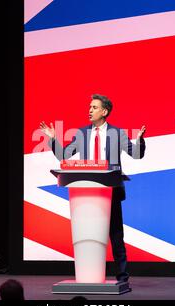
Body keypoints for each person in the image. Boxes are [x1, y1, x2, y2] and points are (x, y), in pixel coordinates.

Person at [40, 94, 146, 282]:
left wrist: (140, 140)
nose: (89, 110)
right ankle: (89, 275)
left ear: (104, 112)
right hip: (86, 194)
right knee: (89, 236)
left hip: (110, 191)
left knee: (116, 235)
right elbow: (64, 155)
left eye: (94, 107)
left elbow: (136, 155)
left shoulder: (117, 133)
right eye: (89, 107)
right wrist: (53, 139)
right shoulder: (81, 134)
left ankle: (122, 276)